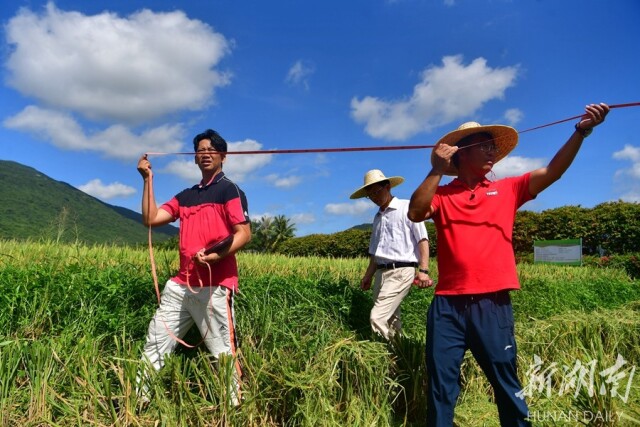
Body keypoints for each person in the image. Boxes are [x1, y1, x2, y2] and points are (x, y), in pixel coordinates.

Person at [407, 103, 609, 426]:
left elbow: (552, 172)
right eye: (484, 145)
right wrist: (435, 170)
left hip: (493, 304)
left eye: (492, 145)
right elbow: (415, 213)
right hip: (447, 307)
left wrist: (581, 132)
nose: (492, 151)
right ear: (461, 154)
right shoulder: (442, 195)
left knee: (506, 384)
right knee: (441, 390)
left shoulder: (507, 189)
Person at [136, 129, 251, 405]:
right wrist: (148, 179)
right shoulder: (186, 196)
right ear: (194, 158)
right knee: (154, 344)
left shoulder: (230, 190)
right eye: (200, 150)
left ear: (223, 156)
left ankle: (233, 408)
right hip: (180, 286)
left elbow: (244, 234)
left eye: (211, 149)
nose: (205, 154)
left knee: (222, 352)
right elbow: (151, 218)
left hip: (215, 287)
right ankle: (137, 402)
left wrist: (215, 257)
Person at [350, 169, 432, 340]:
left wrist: (423, 270)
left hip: (402, 271)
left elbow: (422, 239)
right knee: (393, 320)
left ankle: (389, 351)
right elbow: (375, 251)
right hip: (381, 273)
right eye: (370, 194)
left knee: (377, 317)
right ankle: (399, 357)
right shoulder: (377, 217)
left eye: (377, 191)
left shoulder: (406, 207)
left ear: (387, 187)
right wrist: (368, 276)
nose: (374, 197)